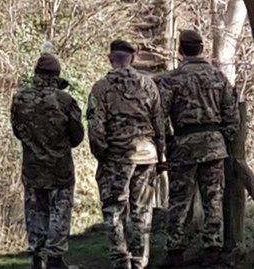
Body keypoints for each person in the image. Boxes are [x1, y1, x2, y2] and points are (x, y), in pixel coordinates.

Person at [156, 30, 239, 267]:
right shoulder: (218, 77)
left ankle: (175, 251)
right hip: (214, 145)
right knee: (213, 198)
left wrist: (168, 144)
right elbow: (232, 115)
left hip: (183, 145)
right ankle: (212, 248)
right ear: (202, 48)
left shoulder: (171, 79)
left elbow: (160, 116)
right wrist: (224, 137)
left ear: (180, 49)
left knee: (179, 200)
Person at [87, 40, 167, 269]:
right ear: (132, 58)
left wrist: (102, 154)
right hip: (146, 155)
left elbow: (95, 127)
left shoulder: (101, 88)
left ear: (110, 58)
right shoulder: (148, 85)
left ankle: (120, 258)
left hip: (116, 156)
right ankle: (140, 260)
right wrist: (161, 157)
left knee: (114, 208)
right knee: (142, 210)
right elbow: (159, 123)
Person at [11, 51, 85, 269]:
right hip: (59, 168)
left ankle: (36, 255)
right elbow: (77, 136)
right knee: (59, 212)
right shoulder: (65, 100)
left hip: (32, 166)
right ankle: (55, 258)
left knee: (35, 211)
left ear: (36, 73)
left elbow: (17, 131)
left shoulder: (20, 98)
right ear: (56, 74)